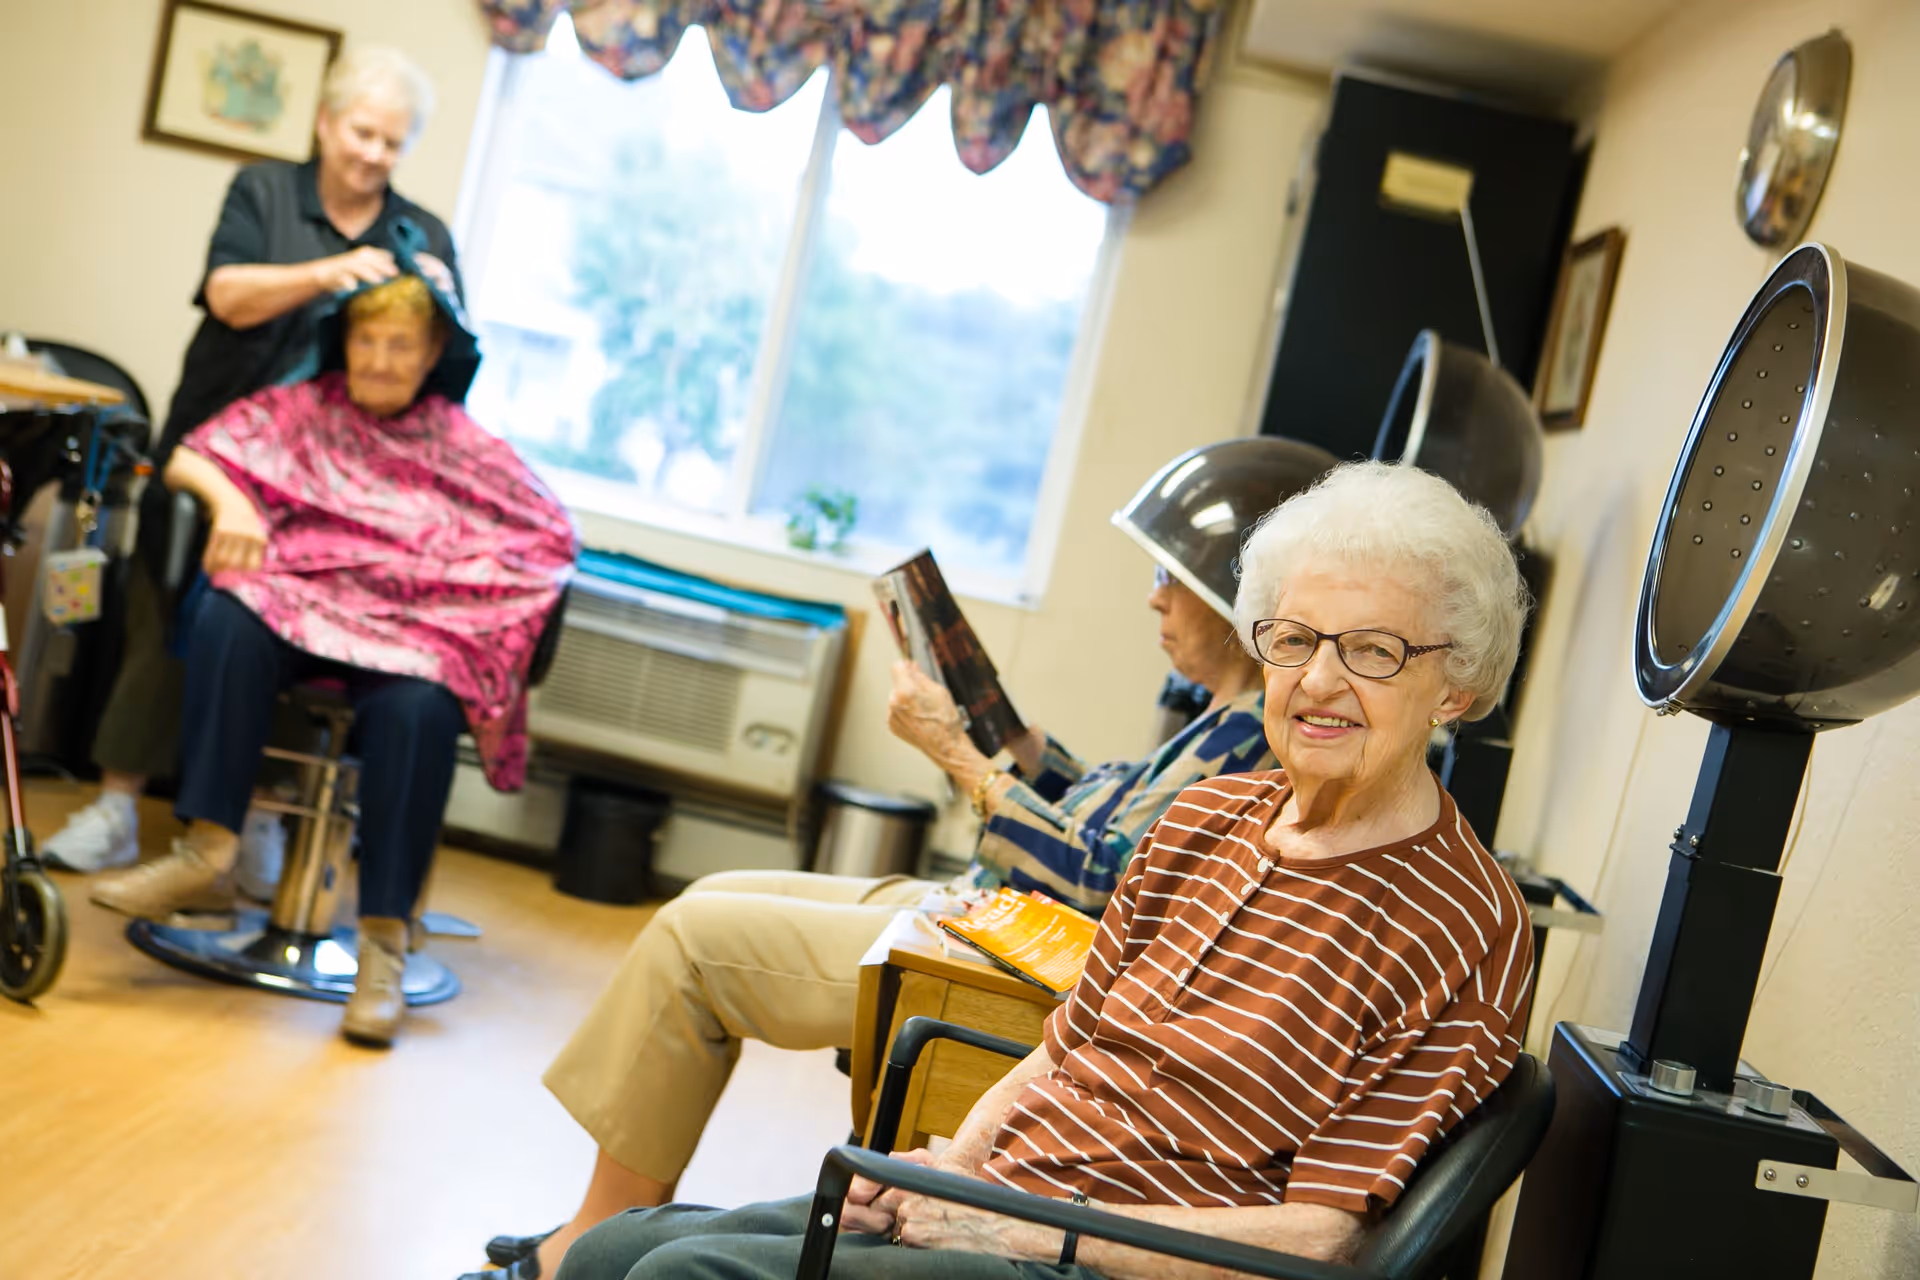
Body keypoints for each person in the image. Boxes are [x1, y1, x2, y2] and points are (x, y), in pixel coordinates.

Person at [547, 459, 1537, 1280]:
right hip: (1002, 1201)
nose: (1319, 681)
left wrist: (1023, 1230)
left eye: (1373, 651)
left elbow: (1329, 1238)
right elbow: (1063, 1051)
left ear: (1456, 684)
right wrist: (950, 1166)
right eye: (1296, 639)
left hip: (1110, 1261)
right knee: (614, 1255)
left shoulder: (1459, 921)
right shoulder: (1205, 817)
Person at [88, 274, 578, 1047]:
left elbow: (551, 541)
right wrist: (234, 502)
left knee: (421, 703)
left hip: (408, 634)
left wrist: (442, 591)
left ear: (434, 355)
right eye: (367, 341)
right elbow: (190, 456)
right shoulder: (301, 410)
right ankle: (206, 845)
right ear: (343, 343)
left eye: (401, 345)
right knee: (227, 610)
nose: (380, 361)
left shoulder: (466, 446)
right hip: (301, 607)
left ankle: (381, 942)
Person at [44, 47, 461, 878]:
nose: (375, 153)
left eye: (394, 141)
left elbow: (437, 364)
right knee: (166, 620)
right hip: (214, 453)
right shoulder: (263, 192)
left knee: (303, 635)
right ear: (326, 123)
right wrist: (328, 274)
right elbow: (228, 294)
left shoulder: (422, 233)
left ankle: (259, 819)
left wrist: (444, 299)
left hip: (328, 489)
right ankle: (118, 806)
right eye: (363, 132)